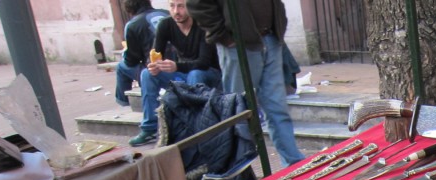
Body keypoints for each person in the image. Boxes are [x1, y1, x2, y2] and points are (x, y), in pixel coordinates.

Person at [185, 0, 304, 166]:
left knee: (277, 107)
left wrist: (279, 25)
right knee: (238, 110)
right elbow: (197, 5)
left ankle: (293, 162)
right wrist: (224, 37)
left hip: (270, 37)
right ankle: (240, 167)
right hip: (237, 44)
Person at [129, 0, 222, 146]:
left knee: (195, 74)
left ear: (190, 7)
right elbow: (155, 52)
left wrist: (176, 66)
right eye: (172, 6)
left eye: (181, 6)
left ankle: (195, 126)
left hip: (209, 73)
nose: (176, 11)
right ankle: (149, 128)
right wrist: (153, 65)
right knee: (147, 74)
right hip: (183, 71)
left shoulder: (202, 24)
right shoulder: (166, 24)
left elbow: (204, 62)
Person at [115, 0, 169, 107]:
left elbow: (131, 61)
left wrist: (126, 51)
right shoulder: (167, 13)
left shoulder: (132, 25)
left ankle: (123, 104)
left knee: (121, 67)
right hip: (177, 65)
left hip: (156, 70)